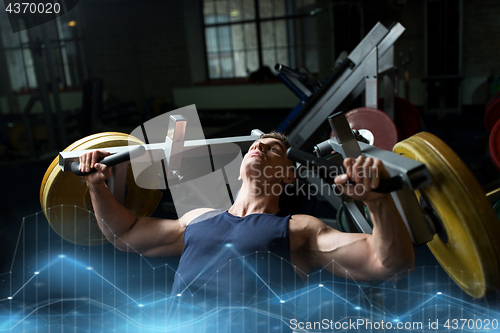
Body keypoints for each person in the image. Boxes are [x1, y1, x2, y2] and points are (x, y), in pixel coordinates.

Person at [78, 131, 414, 331]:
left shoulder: (298, 230)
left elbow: (385, 262)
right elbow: (126, 234)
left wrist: (379, 202)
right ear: (238, 172)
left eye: (273, 149)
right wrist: (97, 186)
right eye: (256, 146)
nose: (260, 148)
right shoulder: (198, 219)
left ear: (288, 176)